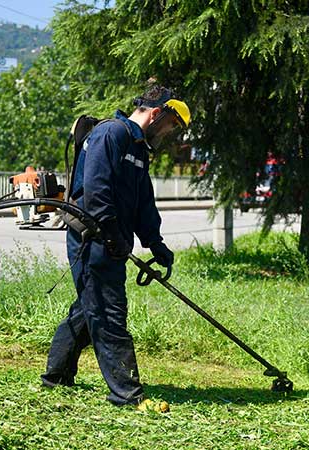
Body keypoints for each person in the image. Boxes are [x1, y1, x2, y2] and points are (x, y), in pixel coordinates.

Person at [41, 86, 191, 406]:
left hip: (111, 241)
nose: (170, 133)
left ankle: (56, 375)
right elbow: (96, 191)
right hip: (92, 238)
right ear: (157, 113)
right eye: (171, 125)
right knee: (108, 312)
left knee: (88, 307)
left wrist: (155, 242)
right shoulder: (110, 134)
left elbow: (142, 203)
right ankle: (127, 393)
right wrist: (111, 234)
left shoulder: (138, 148)